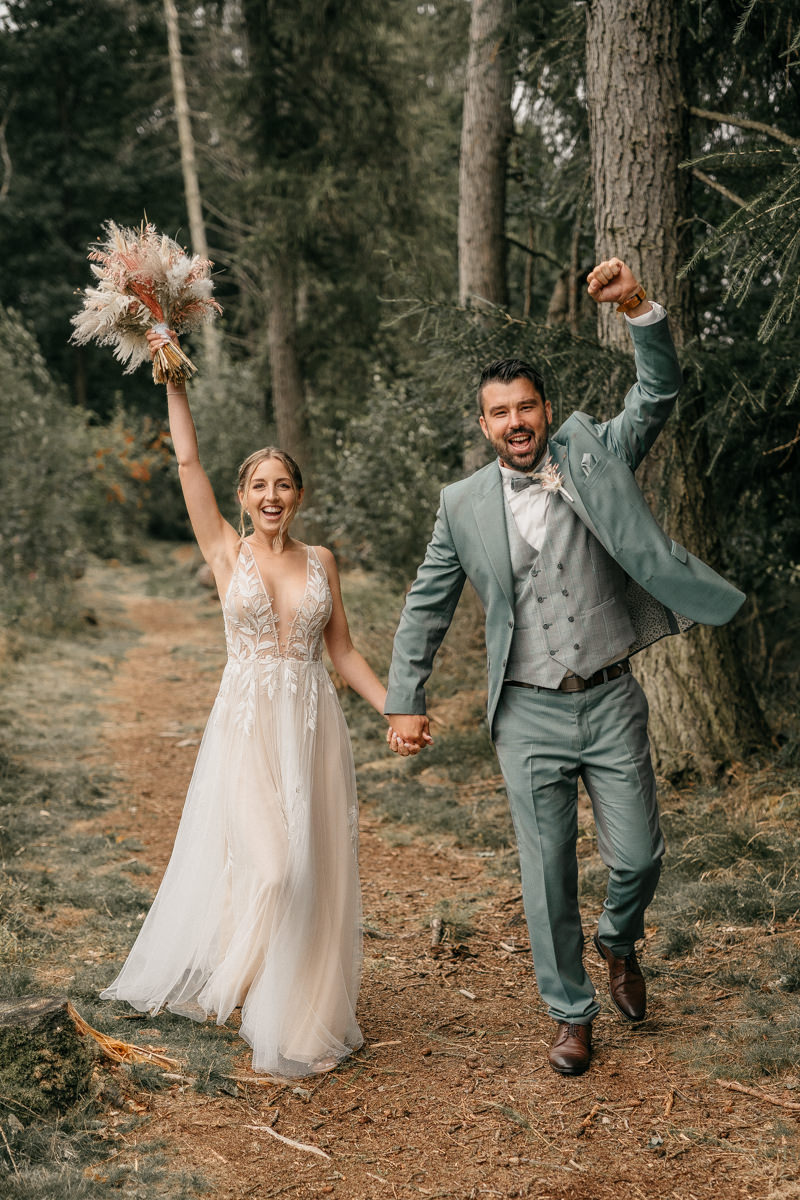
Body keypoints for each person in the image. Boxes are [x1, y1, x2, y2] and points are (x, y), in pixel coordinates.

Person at [384, 258, 746, 1076]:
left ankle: (621, 942)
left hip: (610, 698)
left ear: (546, 411)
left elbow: (654, 396)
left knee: (639, 858)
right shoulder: (460, 506)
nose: (515, 422)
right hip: (525, 713)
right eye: (498, 412)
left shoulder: (593, 453)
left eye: (526, 407)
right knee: (546, 877)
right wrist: (405, 697)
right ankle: (571, 1012)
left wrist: (640, 309)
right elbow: (427, 604)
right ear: (483, 424)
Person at [101, 329, 389, 1077]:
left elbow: (344, 653)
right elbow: (187, 461)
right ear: (242, 496)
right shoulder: (226, 552)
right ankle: (241, 976)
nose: (270, 497)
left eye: (283, 485)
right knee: (270, 868)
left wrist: (396, 705)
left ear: (298, 495)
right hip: (247, 728)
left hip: (313, 725)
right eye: (258, 485)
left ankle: (292, 1006)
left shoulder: (322, 560)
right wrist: (173, 378)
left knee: (312, 868)